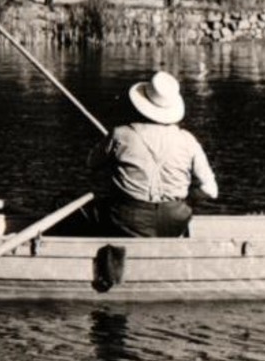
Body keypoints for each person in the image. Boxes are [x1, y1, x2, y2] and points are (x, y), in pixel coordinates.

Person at [84, 70, 217, 237]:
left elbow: (91, 163)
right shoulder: (188, 140)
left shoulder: (120, 134)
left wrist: (110, 145)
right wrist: (184, 201)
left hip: (128, 220)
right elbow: (211, 190)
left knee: (72, 207)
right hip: (175, 222)